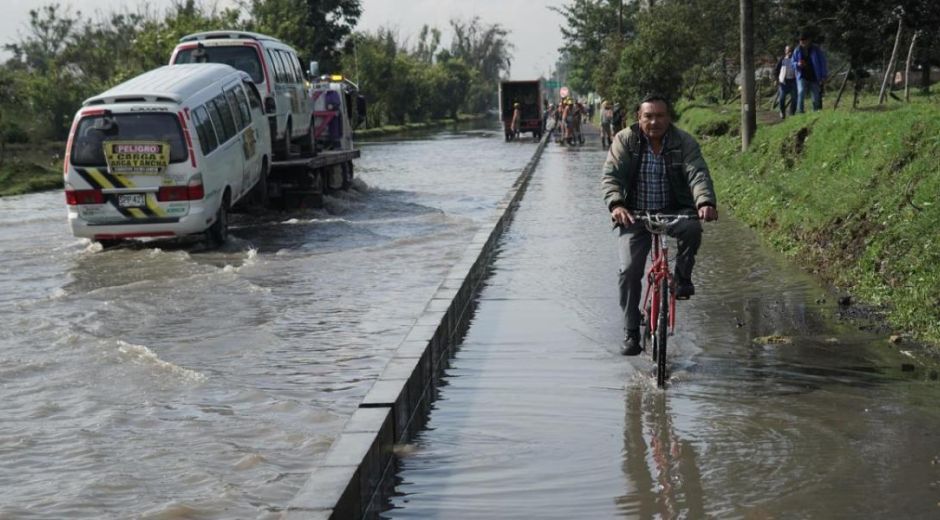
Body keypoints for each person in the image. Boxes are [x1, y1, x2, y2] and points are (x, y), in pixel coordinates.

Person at [601, 94, 718, 356]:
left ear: (669, 118)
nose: (654, 121)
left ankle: (682, 279)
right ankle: (632, 332)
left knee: (692, 229)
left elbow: (697, 172)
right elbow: (611, 176)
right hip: (634, 215)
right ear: (639, 118)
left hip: (675, 210)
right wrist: (617, 205)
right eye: (648, 116)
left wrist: (704, 202)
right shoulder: (625, 140)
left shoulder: (683, 141)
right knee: (630, 271)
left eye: (660, 116)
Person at [792, 31, 828, 112]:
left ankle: (816, 111)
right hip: (802, 75)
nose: (802, 42)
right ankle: (800, 111)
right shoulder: (797, 50)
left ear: (809, 40)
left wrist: (824, 76)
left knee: (816, 95)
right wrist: (797, 64)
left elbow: (822, 63)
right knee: (801, 92)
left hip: (814, 75)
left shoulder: (816, 49)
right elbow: (792, 62)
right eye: (801, 40)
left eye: (804, 40)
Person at [773, 44, 797, 119]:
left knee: (794, 98)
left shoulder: (795, 58)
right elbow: (776, 70)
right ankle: (782, 111)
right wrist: (775, 79)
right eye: (787, 50)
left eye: (790, 51)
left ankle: (792, 112)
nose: (789, 52)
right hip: (784, 82)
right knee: (782, 98)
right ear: (785, 51)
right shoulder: (782, 59)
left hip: (793, 80)